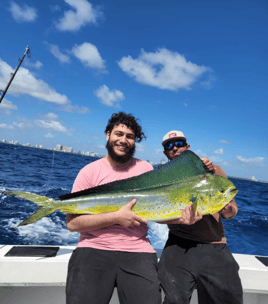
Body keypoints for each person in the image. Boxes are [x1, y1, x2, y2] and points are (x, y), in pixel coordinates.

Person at [65, 112, 162, 304]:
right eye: (119, 134)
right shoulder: (89, 172)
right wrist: (116, 217)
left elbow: (159, 209)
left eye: (130, 136)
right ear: (108, 134)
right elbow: (73, 224)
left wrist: (184, 217)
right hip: (93, 248)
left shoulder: (146, 170)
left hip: (138, 250)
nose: (123, 140)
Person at [158, 130, 243, 304]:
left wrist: (226, 208)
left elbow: (231, 210)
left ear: (188, 147)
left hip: (214, 246)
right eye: (169, 146)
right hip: (177, 245)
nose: (175, 148)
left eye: (179, 143)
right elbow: (155, 214)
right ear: (166, 153)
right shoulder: (161, 177)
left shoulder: (214, 170)